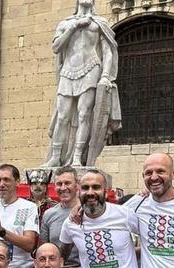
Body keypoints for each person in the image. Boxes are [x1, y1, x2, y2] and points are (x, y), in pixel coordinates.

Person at [42, 0, 120, 168]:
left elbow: (108, 52)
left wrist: (106, 75)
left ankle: (78, 156)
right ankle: (56, 156)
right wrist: (74, 27)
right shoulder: (65, 23)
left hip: (91, 68)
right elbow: (56, 47)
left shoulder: (100, 23)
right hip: (68, 70)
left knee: (84, 114)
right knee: (62, 117)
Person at [40, 166, 81, 268]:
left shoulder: (88, 211)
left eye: (67, 183)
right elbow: (44, 248)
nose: (63, 188)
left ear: (77, 185)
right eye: (59, 184)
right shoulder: (49, 214)